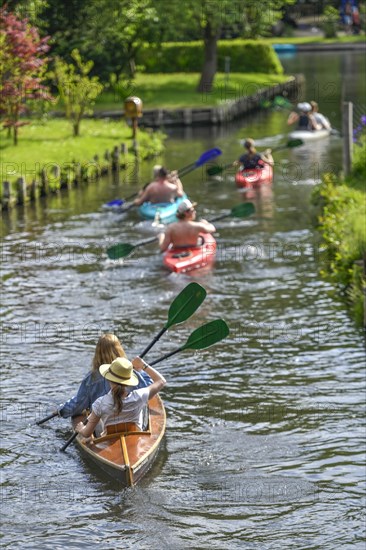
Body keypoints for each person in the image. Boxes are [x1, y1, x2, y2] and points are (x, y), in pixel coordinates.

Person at [56, 334, 152, 418]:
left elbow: (78, 405)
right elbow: (150, 386)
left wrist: (61, 410)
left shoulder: (91, 378)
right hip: (132, 420)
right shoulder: (131, 372)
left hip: (103, 424)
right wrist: (140, 368)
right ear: (119, 350)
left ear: (97, 353)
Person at [75, 356, 166, 437]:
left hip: (109, 443)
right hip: (135, 440)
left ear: (107, 378)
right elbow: (161, 381)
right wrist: (143, 365)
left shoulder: (100, 403)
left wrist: (81, 428)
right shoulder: (139, 396)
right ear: (128, 381)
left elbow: (87, 433)